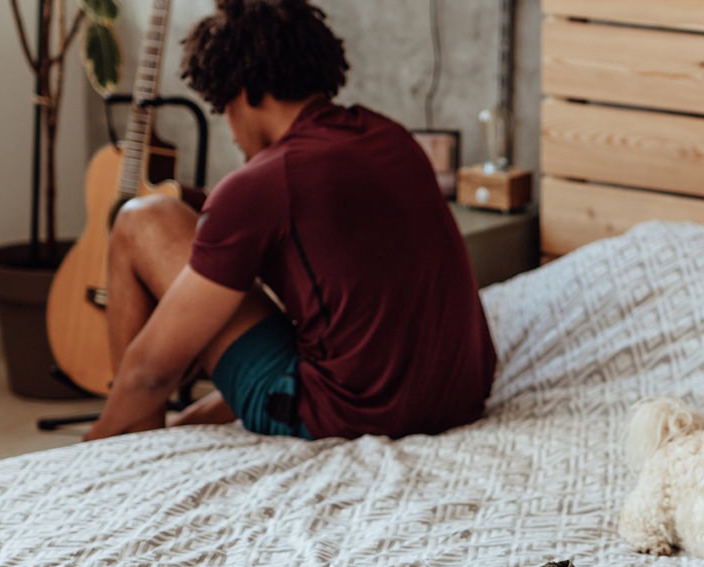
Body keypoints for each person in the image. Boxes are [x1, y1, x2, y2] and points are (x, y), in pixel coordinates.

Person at [84, 0, 496, 442]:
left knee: (140, 219)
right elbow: (362, 335)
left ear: (244, 93)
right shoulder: (390, 137)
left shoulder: (264, 181)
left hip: (355, 417)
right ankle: (157, 433)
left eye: (225, 112)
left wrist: (93, 446)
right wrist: (196, 420)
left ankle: (128, 446)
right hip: (460, 396)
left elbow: (151, 373)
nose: (232, 132)